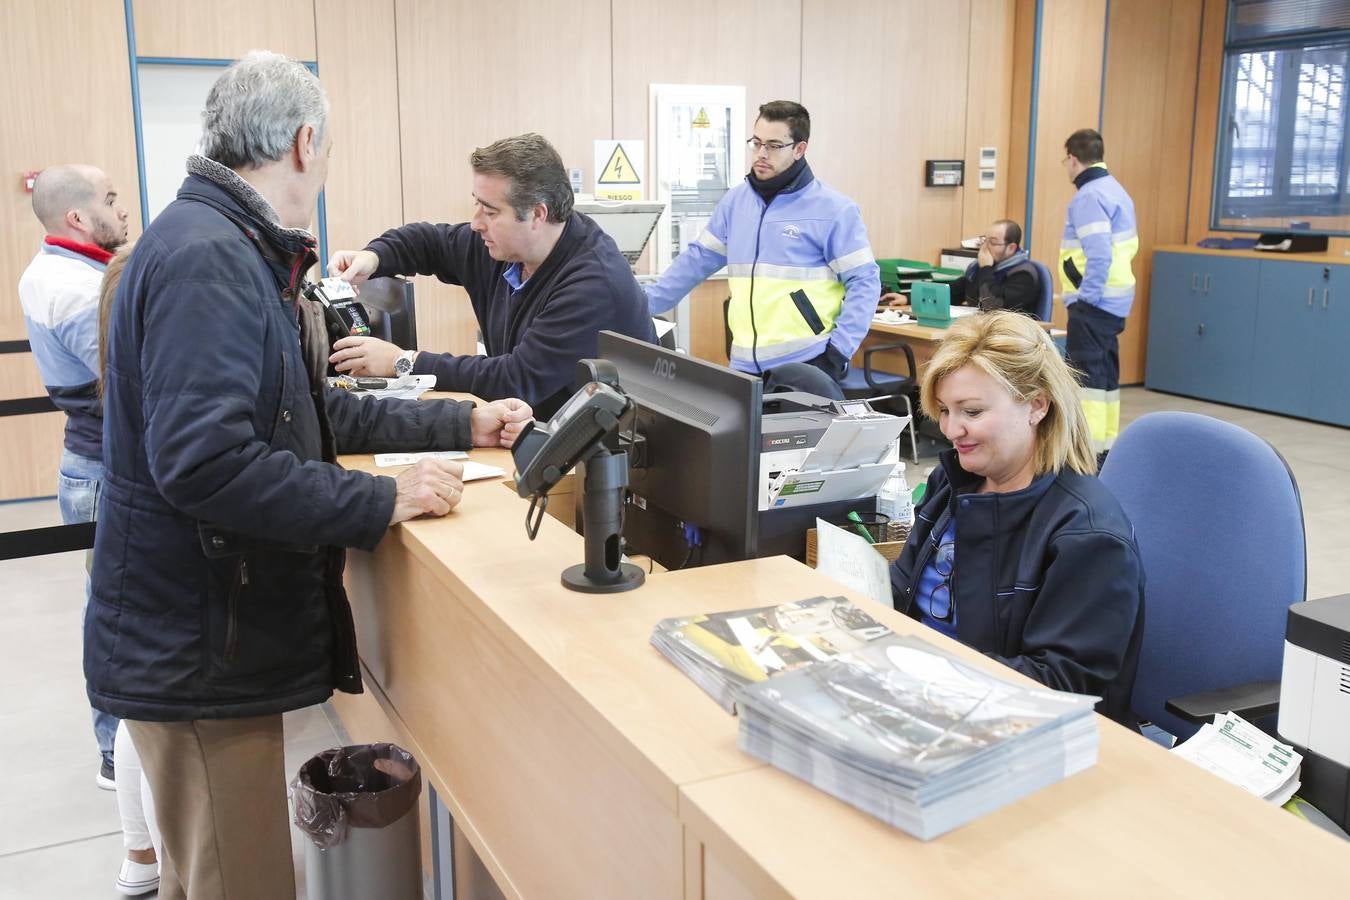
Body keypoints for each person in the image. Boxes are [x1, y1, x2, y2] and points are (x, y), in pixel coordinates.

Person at [87, 51, 531, 900]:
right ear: (301, 143)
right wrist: (378, 498)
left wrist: (457, 418)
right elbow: (208, 463)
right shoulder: (210, 259)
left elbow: (305, 413)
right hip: (194, 648)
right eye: (326, 153)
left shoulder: (228, 246)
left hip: (195, 635)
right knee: (237, 880)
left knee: (211, 876)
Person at [889, 310, 1144, 724]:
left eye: (971, 412)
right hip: (925, 692)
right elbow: (901, 590)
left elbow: (1058, 685)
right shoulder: (955, 481)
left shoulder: (1087, 536)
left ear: (1036, 406)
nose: (952, 430)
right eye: (946, 411)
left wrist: (932, 683)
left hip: (1004, 724)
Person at [326, 133, 656, 420]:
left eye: (491, 211)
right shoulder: (502, 248)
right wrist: (372, 257)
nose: (475, 223)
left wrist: (403, 361)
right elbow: (428, 242)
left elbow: (515, 378)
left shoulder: (592, 283)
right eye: (477, 205)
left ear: (537, 215)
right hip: (533, 434)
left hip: (601, 463)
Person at [17, 164, 128, 791]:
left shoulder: (65, 269)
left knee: (109, 604)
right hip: (102, 469)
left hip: (91, 464)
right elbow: (127, 384)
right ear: (79, 219)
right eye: (110, 201)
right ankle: (115, 748)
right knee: (112, 611)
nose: (123, 210)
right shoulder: (76, 289)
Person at [643, 101, 879, 394]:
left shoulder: (834, 210)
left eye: (774, 145)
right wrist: (638, 304)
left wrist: (837, 353)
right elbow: (696, 261)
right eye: (756, 143)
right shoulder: (735, 202)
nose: (761, 154)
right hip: (744, 367)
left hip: (807, 364)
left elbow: (865, 282)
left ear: (799, 149)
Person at [1059, 128, 1137, 460]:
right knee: (1104, 382)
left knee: (1086, 382)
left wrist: (1085, 298)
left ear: (1073, 159)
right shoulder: (1115, 190)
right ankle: (1103, 449)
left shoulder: (1089, 196)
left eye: (1065, 160)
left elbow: (1099, 252)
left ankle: (1084, 454)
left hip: (1093, 304)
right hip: (1114, 304)